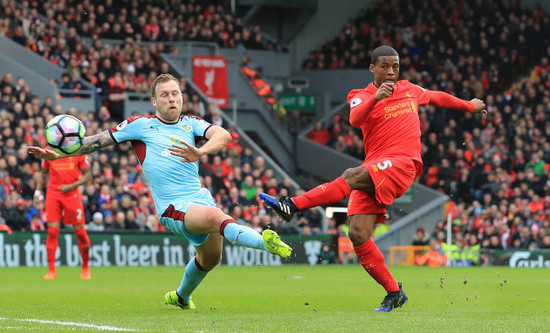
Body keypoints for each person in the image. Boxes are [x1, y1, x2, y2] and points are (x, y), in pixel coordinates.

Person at [29, 73, 292, 310]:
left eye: (175, 93)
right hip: (172, 207)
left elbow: (223, 135)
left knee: (210, 258)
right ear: (154, 101)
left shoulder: (192, 123)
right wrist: (57, 153)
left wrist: (200, 151)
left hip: (198, 198)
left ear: (181, 97)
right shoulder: (139, 125)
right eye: (164, 95)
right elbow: (94, 142)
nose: (171, 99)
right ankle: (264, 242)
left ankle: (180, 296)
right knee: (215, 217)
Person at [259, 45, 487, 312]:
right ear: (373, 69)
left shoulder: (409, 90)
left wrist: (468, 105)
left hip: (403, 164)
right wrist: (377, 97)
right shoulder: (360, 95)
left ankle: (292, 205)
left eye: (395, 67)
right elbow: (355, 119)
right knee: (357, 233)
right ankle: (394, 292)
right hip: (376, 168)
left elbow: (437, 97)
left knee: (351, 175)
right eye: (385, 67)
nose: (391, 72)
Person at [35, 152, 92, 280]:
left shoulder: (77, 150)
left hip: (72, 194)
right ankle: (51, 270)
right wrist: (38, 192)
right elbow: (43, 174)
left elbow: (88, 175)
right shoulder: (49, 150)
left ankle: (85, 267)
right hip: (53, 194)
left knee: (81, 233)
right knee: (52, 232)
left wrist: (71, 186)